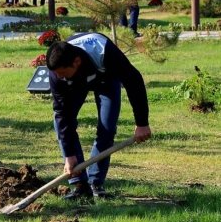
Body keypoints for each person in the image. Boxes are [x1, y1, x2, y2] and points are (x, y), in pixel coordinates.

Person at [46, 32, 152, 199]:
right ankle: (80, 185)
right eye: (57, 74)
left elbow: (134, 80)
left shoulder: (104, 51)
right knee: (63, 123)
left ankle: (95, 182)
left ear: (76, 62)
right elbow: (62, 114)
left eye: (62, 73)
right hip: (76, 83)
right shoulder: (57, 73)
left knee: (107, 128)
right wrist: (69, 155)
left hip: (106, 79)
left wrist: (142, 123)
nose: (59, 77)